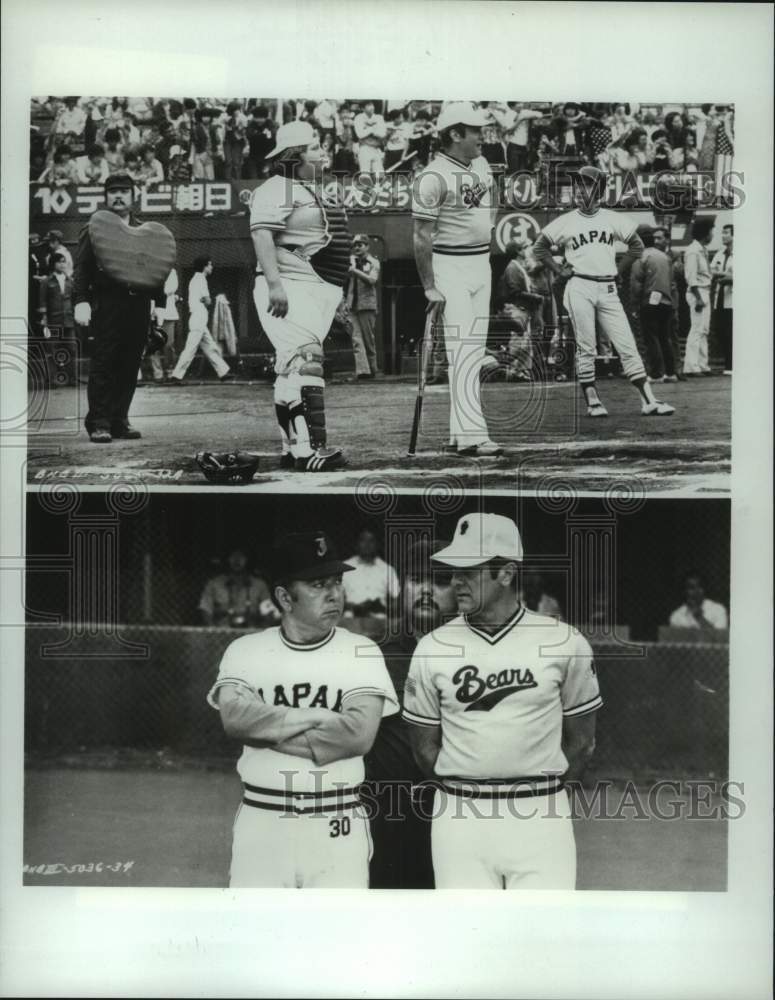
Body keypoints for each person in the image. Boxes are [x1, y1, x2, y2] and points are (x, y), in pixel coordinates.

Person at [403, 512, 602, 890]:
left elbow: (582, 743)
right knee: (467, 939)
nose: (456, 581)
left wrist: (540, 797)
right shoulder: (432, 647)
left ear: (507, 573)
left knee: (540, 938)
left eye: (469, 571)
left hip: (540, 814)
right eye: (454, 571)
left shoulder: (564, 641)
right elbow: (424, 750)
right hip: (460, 815)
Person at [206, 530, 399, 888]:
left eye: (337, 582)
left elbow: (356, 736)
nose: (334, 594)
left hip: (336, 819)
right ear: (284, 596)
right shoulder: (246, 650)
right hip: (263, 818)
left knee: (335, 940)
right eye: (317, 584)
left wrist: (266, 731)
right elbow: (234, 719)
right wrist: (317, 717)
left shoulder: (362, 650)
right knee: (257, 936)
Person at [532, 166, 675, 418]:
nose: (579, 189)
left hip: (607, 287)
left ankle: (649, 400)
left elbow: (636, 245)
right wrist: (558, 269)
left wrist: (619, 269)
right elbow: (540, 247)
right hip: (579, 285)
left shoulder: (612, 217)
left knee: (626, 344)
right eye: (577, 185)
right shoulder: (566, 220)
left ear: (598, 190)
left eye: (585, 185)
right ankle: (592, 399)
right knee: (586, 345)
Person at [249, 119, 350, 472]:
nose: (323, 153)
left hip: (310, 288)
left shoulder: (305, 187)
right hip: (288, 285)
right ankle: (311, 451)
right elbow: (262, 234)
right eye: (315, 147)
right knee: (307, 360)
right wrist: (275, 284)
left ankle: (293, 448)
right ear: (295, 155)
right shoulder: (276, 188)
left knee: (291, 367)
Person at [365, 537, 458, 889]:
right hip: (389, 812)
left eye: (440, 581)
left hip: (457, 809)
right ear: (402, 587)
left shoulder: (478, 656)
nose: (426, 590)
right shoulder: (375, 655)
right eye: (418, 579)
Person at [412, 102, 502, 457]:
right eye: (476, 130)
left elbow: (493, 197)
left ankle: (458, 433)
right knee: (465, 351)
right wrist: (429, 285)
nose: (483, 135)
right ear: (454, 134)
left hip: (481, 264)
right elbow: (420, 235)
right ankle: (473, 436)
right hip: (450, 265)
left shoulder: (480, 164)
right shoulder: (431, 176)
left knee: (473, 350)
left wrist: (489, 225)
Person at [73, 173, 168, 442]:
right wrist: (81, 300)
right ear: (105, 196)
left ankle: (119, 419)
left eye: (124, 191)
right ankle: (99, 422)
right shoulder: (95, 228)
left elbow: (156, 267)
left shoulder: (145, 230)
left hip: (138, 304)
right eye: (113, 191)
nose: (118, 195)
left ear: (133, 195)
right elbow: (82, 269)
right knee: (104, 362)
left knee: (129, 363)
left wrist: (159, 303)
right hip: (107, 303)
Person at [167, 257, 234, 384]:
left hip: (199, 317)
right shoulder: (200, 279)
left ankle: (223, 372)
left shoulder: (196, 279)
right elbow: (208, 300)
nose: (211, 267)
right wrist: (208, 300)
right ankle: (176, 375)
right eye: (209, 265)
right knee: (191, 348)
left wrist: (204, 300)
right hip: (199, 316)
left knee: (210, 346)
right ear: (204, 266)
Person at [630, 226, 678, 382]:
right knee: (665, 337)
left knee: (651, 337)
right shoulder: (665, 257)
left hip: (648, 302)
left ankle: (656, 373)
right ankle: (671, 373)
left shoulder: (641, 257)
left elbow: (636, 284)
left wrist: (635, 304)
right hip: (667, 302)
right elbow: (672, 282)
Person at [198, 547, 278, 628]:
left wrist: (262, 631)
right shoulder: (214, 584)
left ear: (248, 560)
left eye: (241, 556)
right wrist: (213, 630)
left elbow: (269, 612)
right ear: (227, 559)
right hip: (223, 631)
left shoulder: (260, 585)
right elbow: (205, 609)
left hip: (251, 632)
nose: (237, 559)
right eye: (233, 556)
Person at [37, 252, 77, 387]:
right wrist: (44, 319)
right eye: (59, 262)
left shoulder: (70, 281)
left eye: (64, 261)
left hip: (68, 321)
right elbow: (42, 302)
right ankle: (51, 380)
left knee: (72, 349)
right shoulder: (47, 281)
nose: (62, 264)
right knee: (52, 350)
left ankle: (72, 378)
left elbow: (74, 300)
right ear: (53, 264)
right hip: (53, 321)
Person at [343, 526, 400, 618]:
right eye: (363, 540)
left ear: (378, 544)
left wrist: (384, 608)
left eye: (371, 541)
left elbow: (397, 599)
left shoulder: (388, 570)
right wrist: (353, 607)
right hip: (350, 617)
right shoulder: (345, 567)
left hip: (380, 619)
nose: (367, 544)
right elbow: (334, 597)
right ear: (356, 544)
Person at [681, 216, 714, 375]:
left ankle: (702, 364)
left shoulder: (702, 249)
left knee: (704, 329)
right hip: (698, 292)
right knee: (696, 329)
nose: (712, 235)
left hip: (704, 290)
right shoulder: (693, 251)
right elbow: (691, 277)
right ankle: (691, 366)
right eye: (711, 231)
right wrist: (699, 298)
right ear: (705, 232)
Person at [345, 234, 381, 379]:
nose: (357, 248)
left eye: (360, 245)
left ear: (367, 246)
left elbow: (372, 280)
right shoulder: (351, 262)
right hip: (352, 304)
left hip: (367, 305)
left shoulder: (373, 262)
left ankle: (372, 369)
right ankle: (362, 371)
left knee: (368, 339)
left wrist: (354, 270)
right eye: (355, 245)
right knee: (356, 338)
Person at [148, 268, 179, 383]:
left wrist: (155, 289)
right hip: (152, 312)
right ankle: (158, 373)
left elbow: (170, 288)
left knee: (168, 344)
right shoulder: (150, 268)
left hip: (168, 312)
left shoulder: (172, 271)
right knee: (153, 344)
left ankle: (169, 370)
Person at [710, 223, 733, 375]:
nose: (723, 235)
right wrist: (719, 275)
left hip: (733, 299)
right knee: (721, 331)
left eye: (726, 233)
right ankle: (728, 362)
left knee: (732, 332)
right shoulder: (719, 253)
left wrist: (728, 277)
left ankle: (731, 365)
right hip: (720, 298)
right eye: (722, 233)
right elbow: (712, 270)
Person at [353, 101, 387, 177]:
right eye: (368, 105)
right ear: (362, 108)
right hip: (364, 148)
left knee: (380, 176)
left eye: (372, 104)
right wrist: (372, 129)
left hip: (376, 148)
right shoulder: (358, 118)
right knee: (365, 176)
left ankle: (377, 188)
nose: (372, 107)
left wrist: (369, 131)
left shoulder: (379, 118)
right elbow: (360, 135)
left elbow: (383, 134)